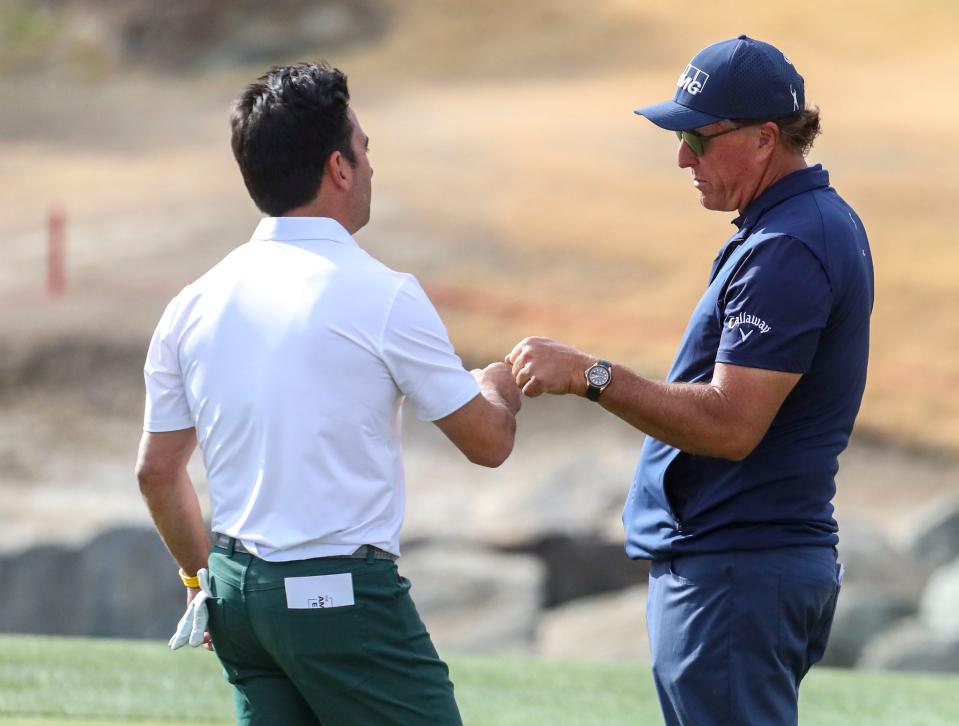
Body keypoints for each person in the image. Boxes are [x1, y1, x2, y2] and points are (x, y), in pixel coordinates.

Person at [135, 62, 520, 726]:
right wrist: (501, 385)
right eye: (364, 149)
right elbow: (487, 442)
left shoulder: (191, 303)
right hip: (339, 599)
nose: (370, 166)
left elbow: (156, 471)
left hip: (235, 596)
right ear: (339, 168)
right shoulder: (383, 294)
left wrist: (204, 583)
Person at [507, 35, 873, 725]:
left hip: (737, 568)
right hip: (745, 564)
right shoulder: (794, 227)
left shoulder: (787, 247)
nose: (682, 157)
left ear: (764, 139)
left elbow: (731, 424)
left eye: (698, 139)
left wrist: (590, 376)